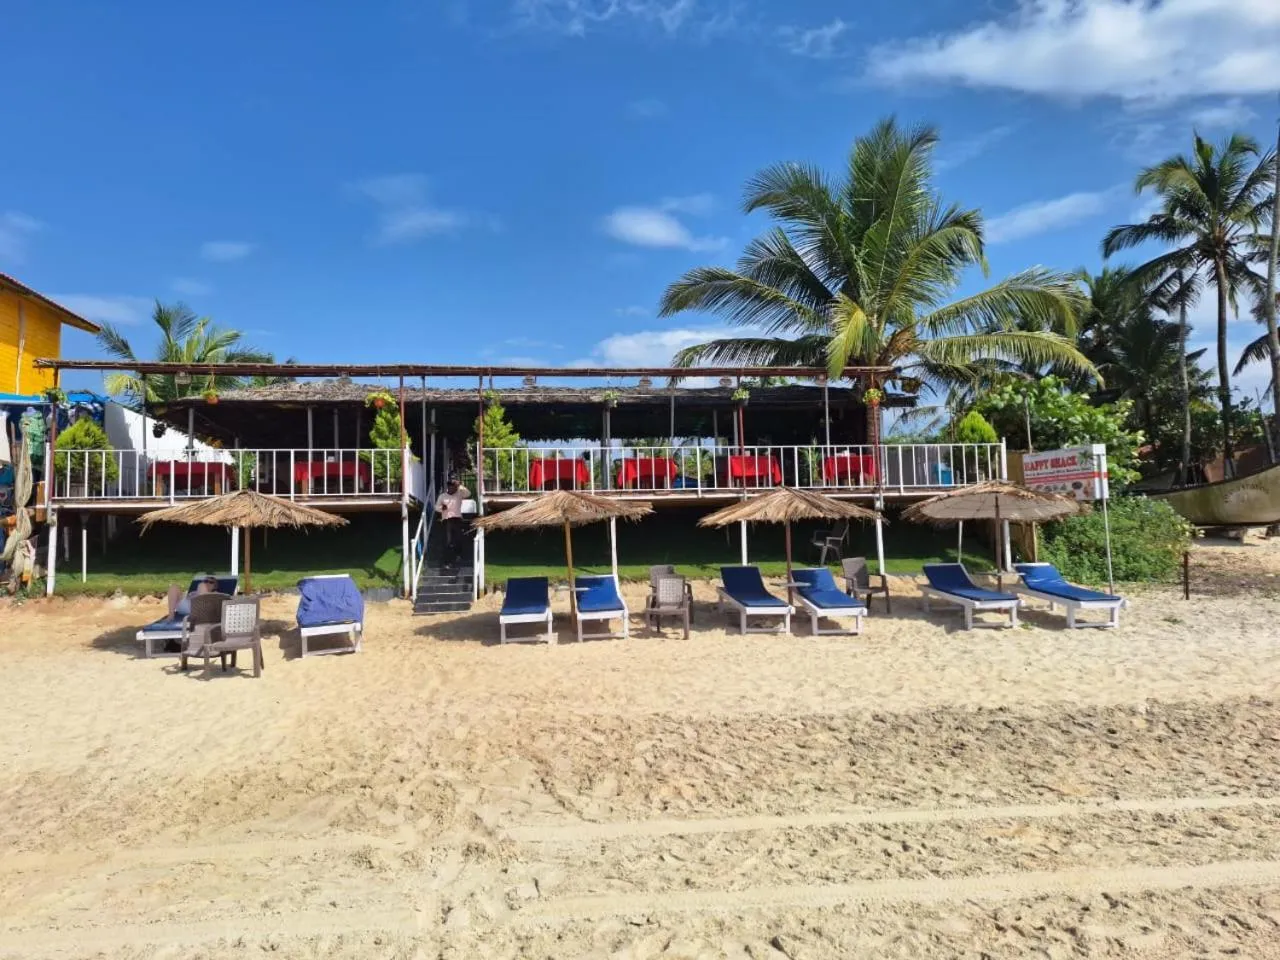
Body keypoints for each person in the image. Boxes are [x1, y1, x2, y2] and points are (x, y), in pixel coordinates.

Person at [436, 477, 471, 567]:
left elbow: (468, 493)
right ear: (448, 487)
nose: (454, 488)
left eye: (455, 487)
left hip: (457, 519)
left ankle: (458, 556)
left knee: (459, 539)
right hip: (447, 520)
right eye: (452, 487)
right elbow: (436, 507)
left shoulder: (459, 494)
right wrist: (441, 508)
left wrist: (460, 485)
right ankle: (447, 561)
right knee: (448, 541)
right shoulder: (442, 496)